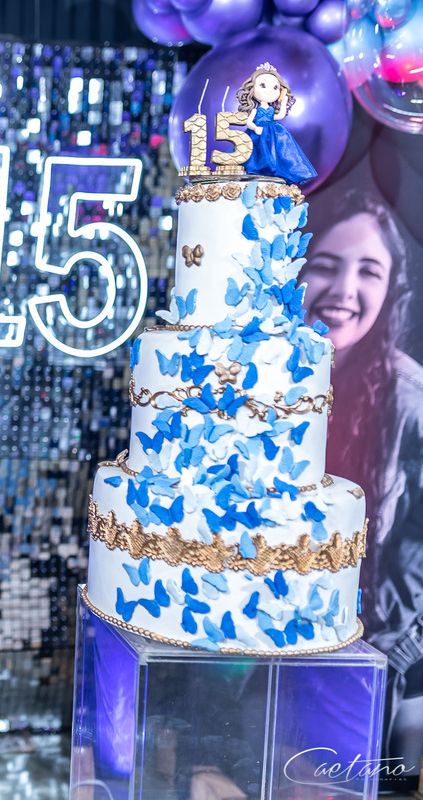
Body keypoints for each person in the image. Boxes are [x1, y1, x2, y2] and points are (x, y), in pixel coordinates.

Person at [297, 189, 423, 771]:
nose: (344, 290)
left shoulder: (410, 403)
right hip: (249, 655)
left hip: (359, 665)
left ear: (391, 289)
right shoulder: (256, 380)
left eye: (368, 271)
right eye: (325, 265)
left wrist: (384, 651)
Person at [235, 63, 316, 184]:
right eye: (263, 85)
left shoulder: (271, 110)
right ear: (252, 88)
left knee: (278, 152)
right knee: (256, 154)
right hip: (257, 134)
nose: (270, 90)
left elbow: (279, 116)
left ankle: (273, 174)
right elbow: (248, 122)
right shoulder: (256, 110)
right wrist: (255, 128)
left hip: (273, 134)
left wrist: (283, 104)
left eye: (275, 87)